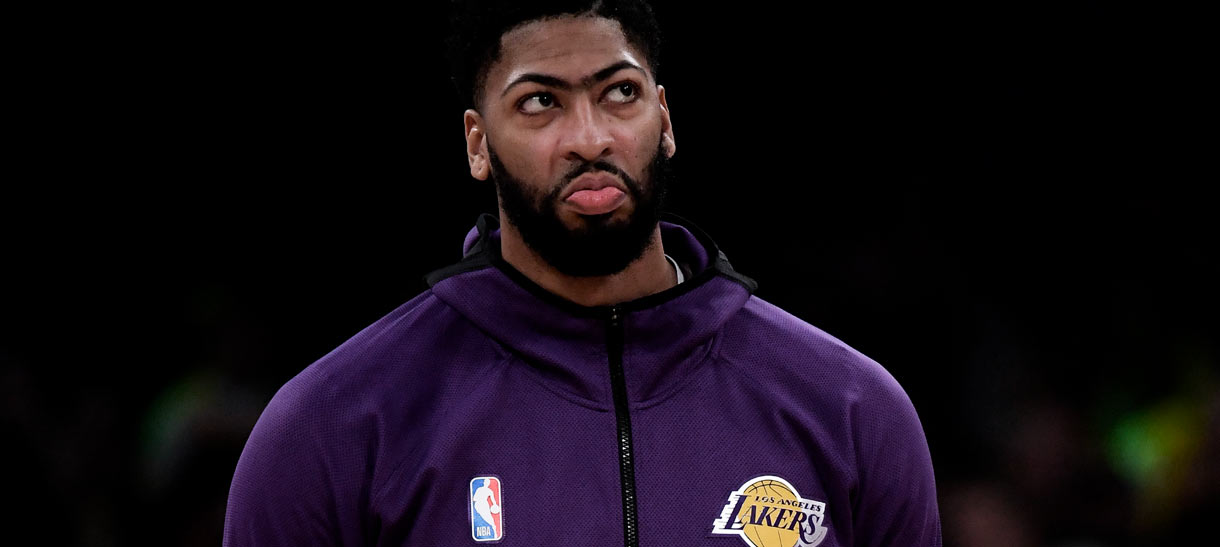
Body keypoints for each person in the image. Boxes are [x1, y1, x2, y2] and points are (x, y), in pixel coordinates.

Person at [223, 1, 941, 546]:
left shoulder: (850, 408)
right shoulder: (333, 425)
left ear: (664, 118)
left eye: (619, 93)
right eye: (541, 102)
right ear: (477, 143)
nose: (591, 138)